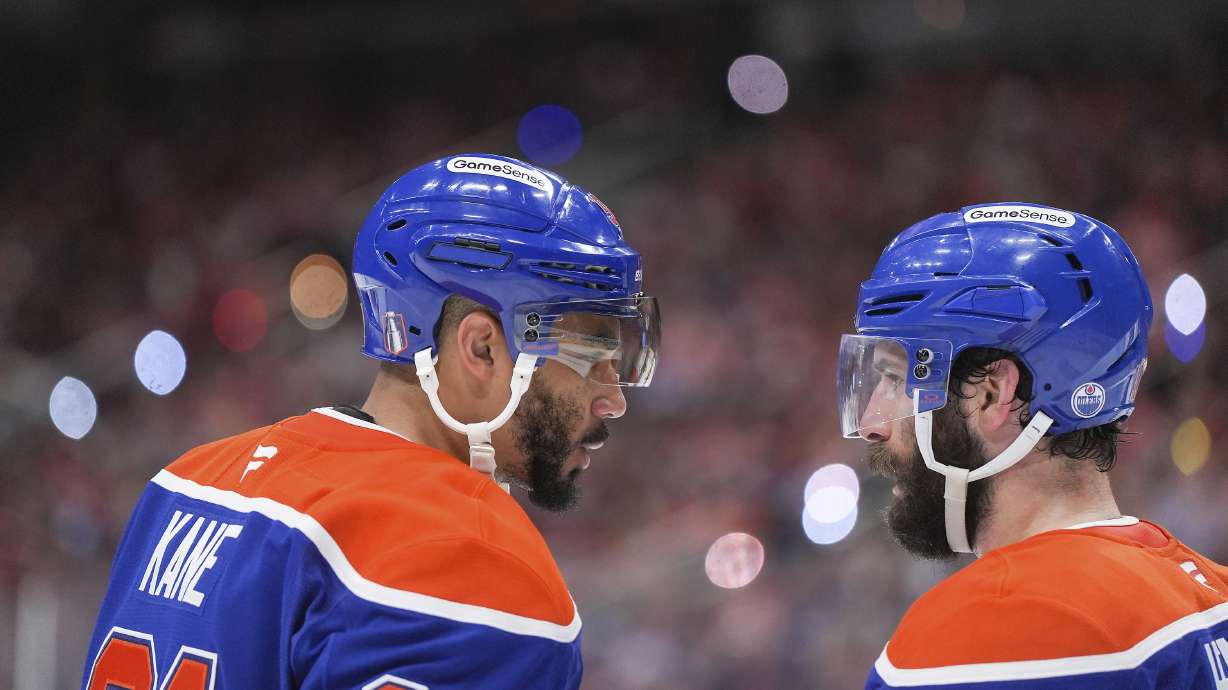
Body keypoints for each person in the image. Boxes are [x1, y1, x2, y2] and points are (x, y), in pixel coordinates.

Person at [80, 154, 661, 690]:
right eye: (591, 357)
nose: (613, 399)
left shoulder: (187, 481)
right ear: (482, 348)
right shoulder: (473, 558)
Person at [839, 203, 1228, 689]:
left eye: (896, 378)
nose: (873, 422)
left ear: (993, 394)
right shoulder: (1211, 591)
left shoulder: (992, 629)